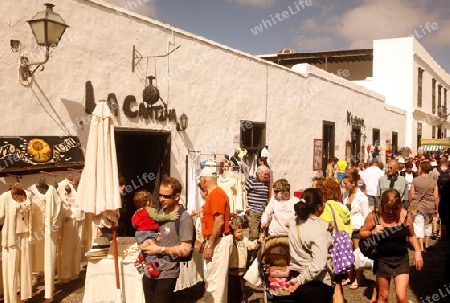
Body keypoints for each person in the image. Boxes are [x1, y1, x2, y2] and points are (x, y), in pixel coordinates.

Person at [360, 189, 423, 303]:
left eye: (394, 209)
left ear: (399, 206)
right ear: (382, 205)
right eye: (388, 209)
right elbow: (362, 233)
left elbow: (412, 235)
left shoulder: (405, 216)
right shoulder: (374, 216)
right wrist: (373, 231)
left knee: (401, 296)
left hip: (401, 259)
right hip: (383, 260)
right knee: (383, 296)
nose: (391, 212)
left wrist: (418, 252)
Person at [138, 177, 194, 303]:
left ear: (177, 196)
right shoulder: (158, 212)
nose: (161, 199)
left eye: (166, 196)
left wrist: (160, 249)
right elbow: (151, 234)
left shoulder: (184, 218)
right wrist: (147, 242)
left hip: (167, 273)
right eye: (160, 195)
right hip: (149, 271)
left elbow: (186, 250)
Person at [285, 188, 334, 303]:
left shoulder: (294, 223)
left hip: (296, 275)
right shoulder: (318, 229)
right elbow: (319, 264)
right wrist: (300, 280)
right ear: (318, 206)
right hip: (314, 284)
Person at [198, 163, 233, 303]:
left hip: (219, 240)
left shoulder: (217, 195)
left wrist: (210, 245)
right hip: (217, 240)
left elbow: (219, 222)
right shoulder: (215, 194)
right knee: (214, 281)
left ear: (204, 180)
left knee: (216, 283)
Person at [132, 190, 179, 277]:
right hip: (148, 233)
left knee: (145, 247)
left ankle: (140, 258)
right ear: (148, 201)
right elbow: (158, 217)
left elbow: (134, 223)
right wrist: (170, 216)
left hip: (139, 234)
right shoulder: (150, 210)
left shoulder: (137, 212)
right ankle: (151, 267)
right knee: (152, 249)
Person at [320, 179, 353, 303]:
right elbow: (349, 229)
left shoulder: (325, 207)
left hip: (330, 248)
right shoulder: (343, 207)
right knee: (338, 283)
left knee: (329, 282)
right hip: (342, 249)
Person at [341, 170, 369, 290]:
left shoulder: (362, 198)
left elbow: (366, 215)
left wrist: (364, 229)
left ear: (353, 183)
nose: (344, 185)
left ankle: (357, 279)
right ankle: (349, 276)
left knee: (358, 254)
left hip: (358, 228)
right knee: (348, 253)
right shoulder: (345, 195)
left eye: (345, 183)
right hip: (346, 228)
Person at [228, 218, 261, 303]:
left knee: (242, 289)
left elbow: (251, 245)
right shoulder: (229, 242)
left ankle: (243, 300)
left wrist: (257, 241)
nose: (241, 233)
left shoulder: (244, 240)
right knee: (232, 290)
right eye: (238, 232)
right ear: (232, 233)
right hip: (231, 271)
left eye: (241, 231)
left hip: (242, 270)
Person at [410, 161, 439, 253]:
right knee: (428, 225)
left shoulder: (415, 180)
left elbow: (411, 195)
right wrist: (436, 208)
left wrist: (410, 205)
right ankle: (427, 244)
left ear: (421, 169)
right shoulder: (433, 182)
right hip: (430, 206)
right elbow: (436, 197)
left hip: (418, 207)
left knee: (418, 225)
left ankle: (421, 246)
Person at [245, 165, 270, 240]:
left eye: (267, 174)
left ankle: (260, 250)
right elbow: (242, 193)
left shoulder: (267, 183)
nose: (266, 176)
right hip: (254, 211)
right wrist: (245, 206)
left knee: (263, 233)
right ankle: (252, 250)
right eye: (265, 174)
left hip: (263, 211)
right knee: (254, 233)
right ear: (259, 173)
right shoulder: (251, 181)